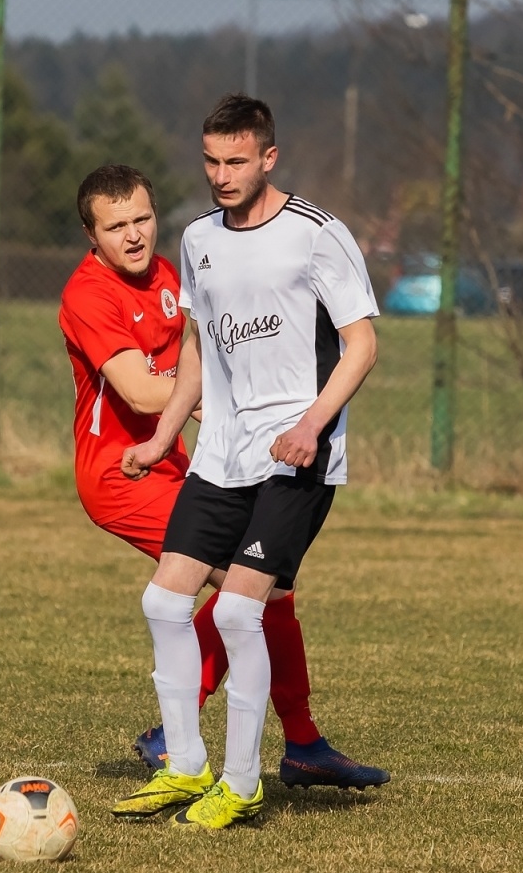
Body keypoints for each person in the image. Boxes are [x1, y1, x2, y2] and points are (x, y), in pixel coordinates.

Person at [59, 165, 388, 804]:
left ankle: (301, 744)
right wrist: (232, 408)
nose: (133, 236)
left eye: (142, 219)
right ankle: (226, 739)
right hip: (121, 472)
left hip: (184, 462)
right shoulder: (88, 295)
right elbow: (141, 389)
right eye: (115, 226)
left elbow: (210, 344)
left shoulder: (171, 272)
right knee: (246, 594)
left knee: (269, 592)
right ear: (89, 235)